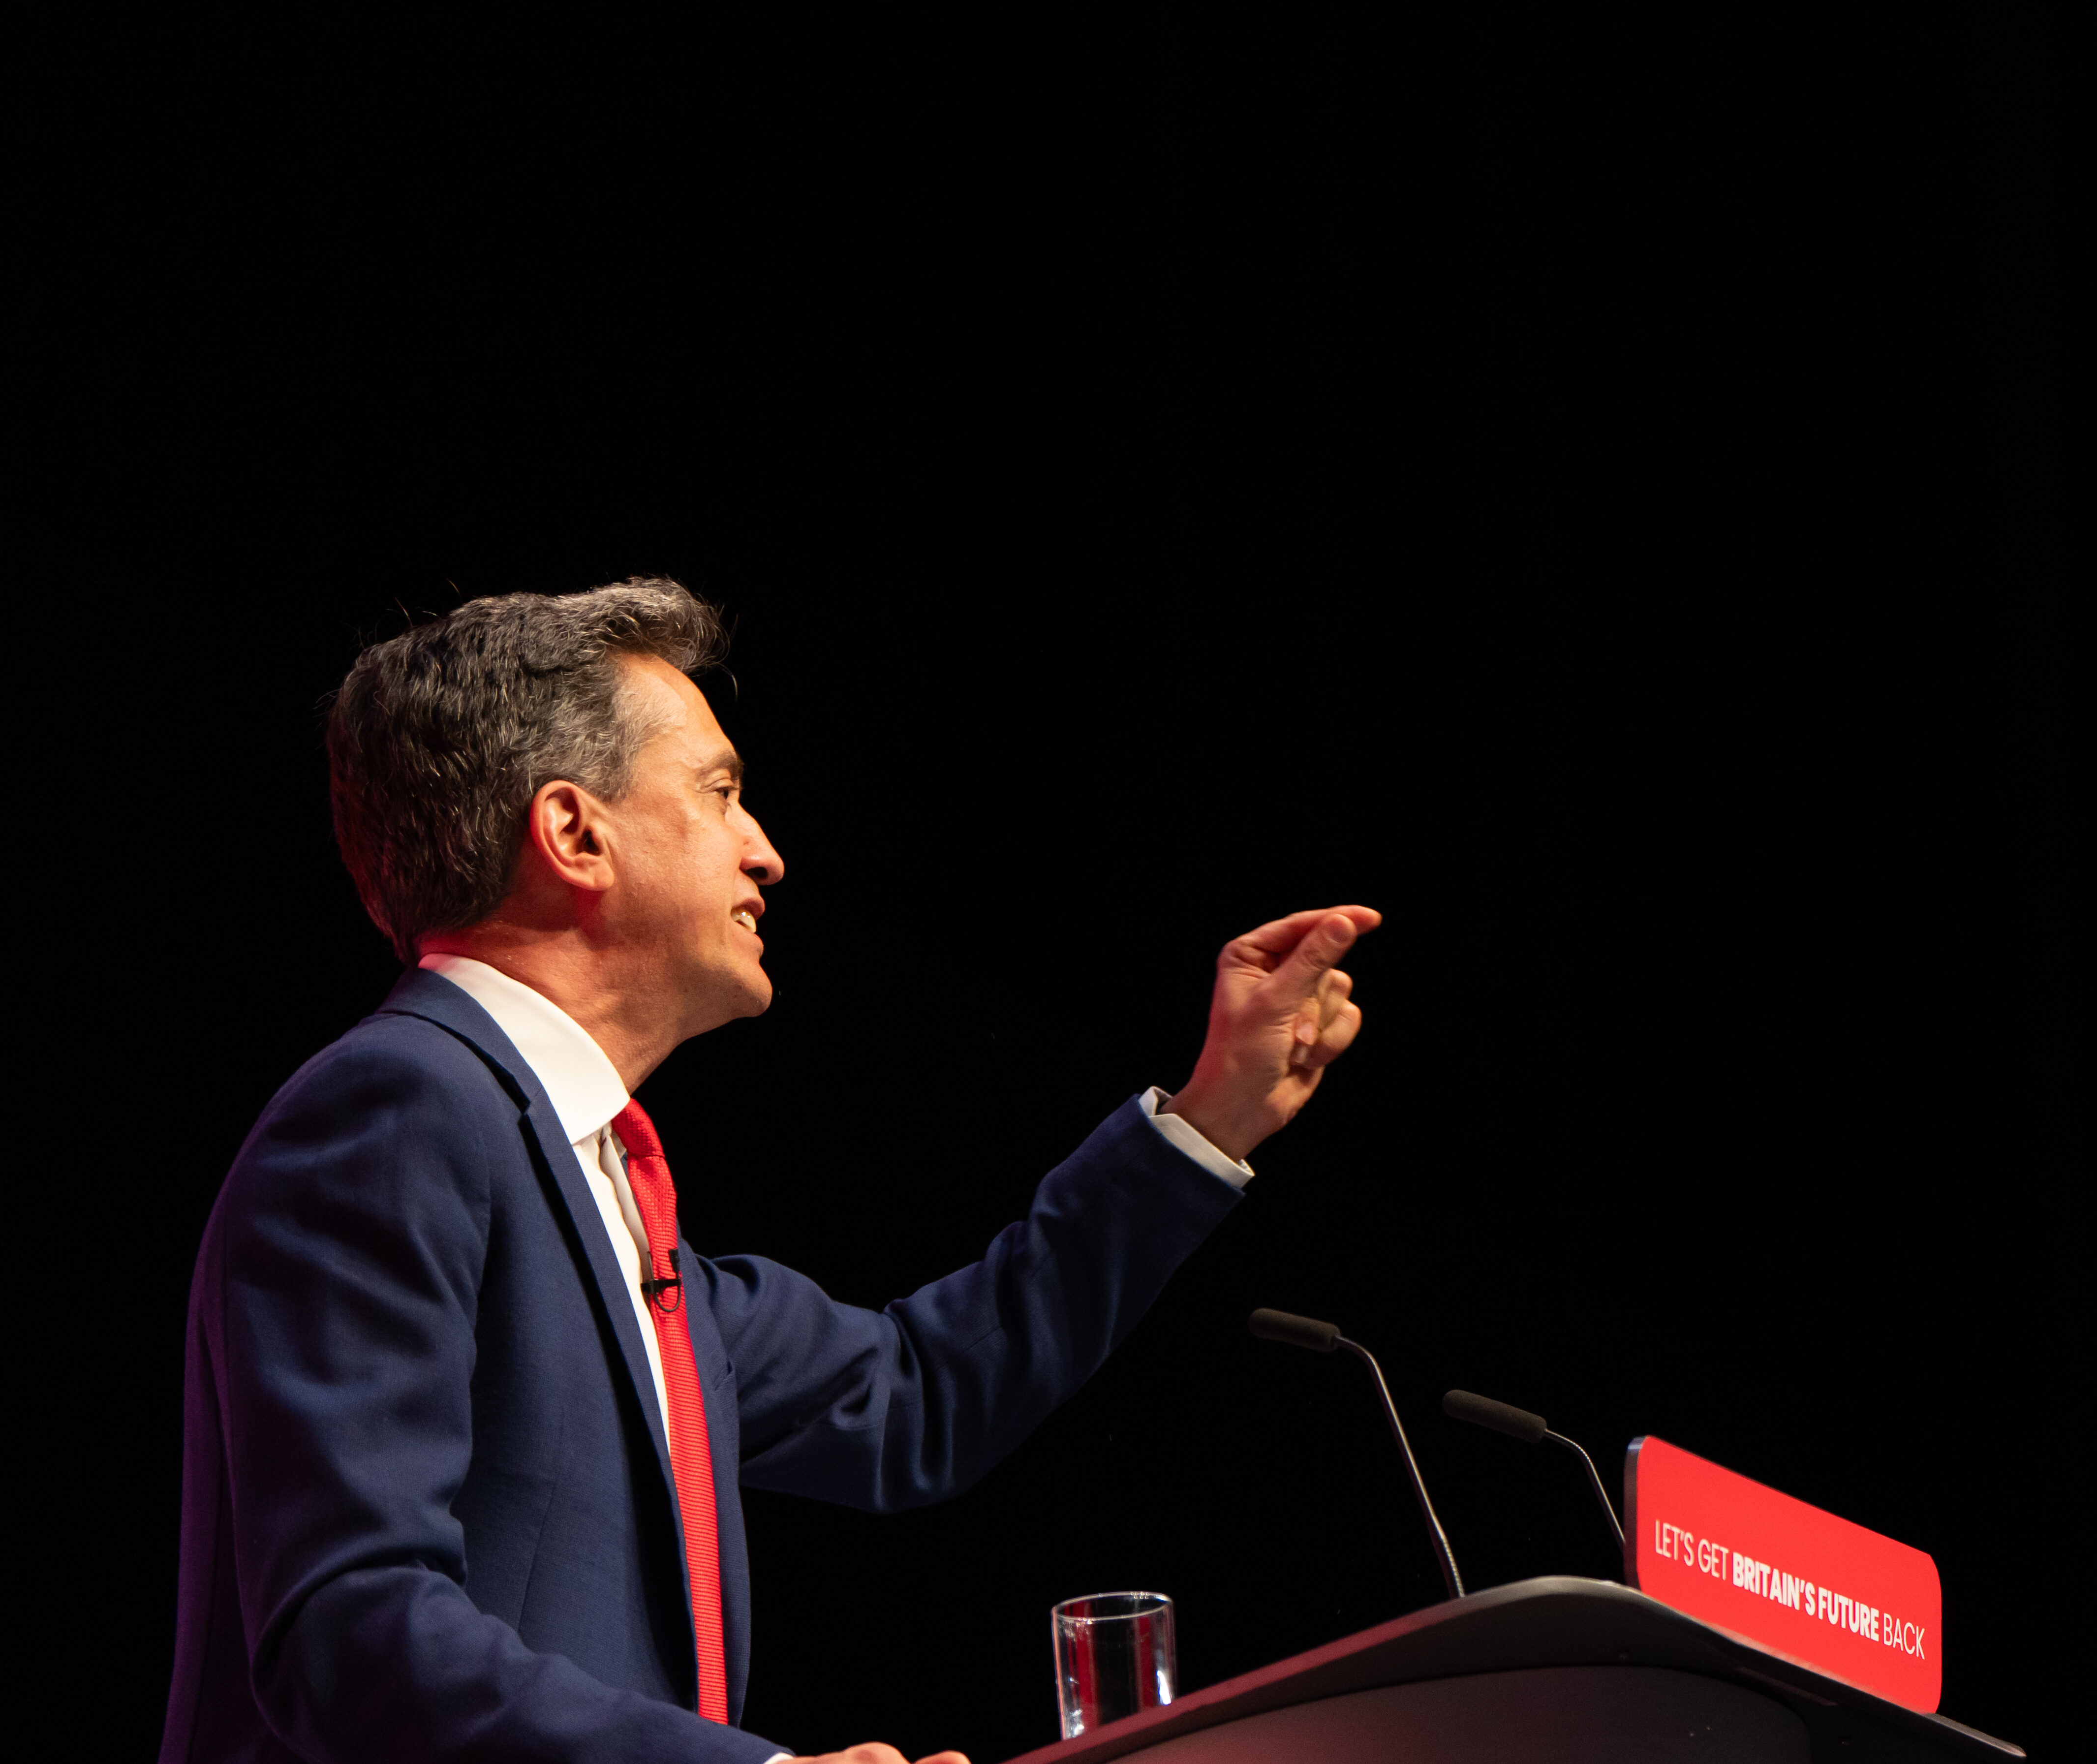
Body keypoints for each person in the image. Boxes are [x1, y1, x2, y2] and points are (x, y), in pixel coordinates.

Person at [162, 579, 1373, 1764]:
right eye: (721, 790)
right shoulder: (395, 1111)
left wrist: (1208, 1116)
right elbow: (350, 1627)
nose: (768, 852)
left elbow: (918, 1395)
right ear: (575, 831)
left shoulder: (598, 1193)